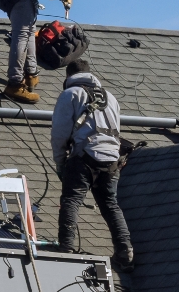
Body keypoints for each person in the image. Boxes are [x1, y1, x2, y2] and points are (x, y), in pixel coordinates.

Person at [51, 59, 134, 272]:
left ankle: (66, 247)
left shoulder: (71, 94)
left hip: (85, 155)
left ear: (68, 78)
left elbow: (59, 133)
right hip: (112, 159)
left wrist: (61, 163)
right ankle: (125, 250)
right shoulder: (110, 98)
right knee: (109, 203)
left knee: (71, 199)